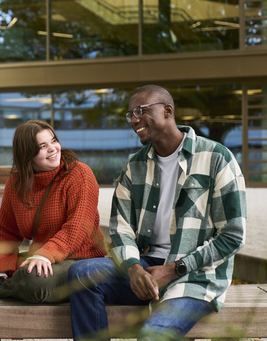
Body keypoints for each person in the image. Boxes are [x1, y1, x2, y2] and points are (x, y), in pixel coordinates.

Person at [68, 85, 247, 341]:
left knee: (153, 335)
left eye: (140, 110)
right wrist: (133, 269)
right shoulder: (134, 166)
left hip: (195, 277)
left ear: (167, 111)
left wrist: (175, 269)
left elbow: (233, 235)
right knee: (82, 274)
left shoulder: (217, 158)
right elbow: (121, 229)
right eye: (130, 115)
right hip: (147, 267)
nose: (134, 120)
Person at [0, 119, 107, 303]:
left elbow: (79, 226)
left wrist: (44, 255)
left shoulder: (79, 173)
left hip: (81, 259)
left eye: (54, 140)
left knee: (34, 280)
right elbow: (6, 230)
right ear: (27, 156)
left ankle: (5, 288)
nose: (53, 148)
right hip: (43, 257)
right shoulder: (16, 183)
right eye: (42, 146)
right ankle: (11, 281)